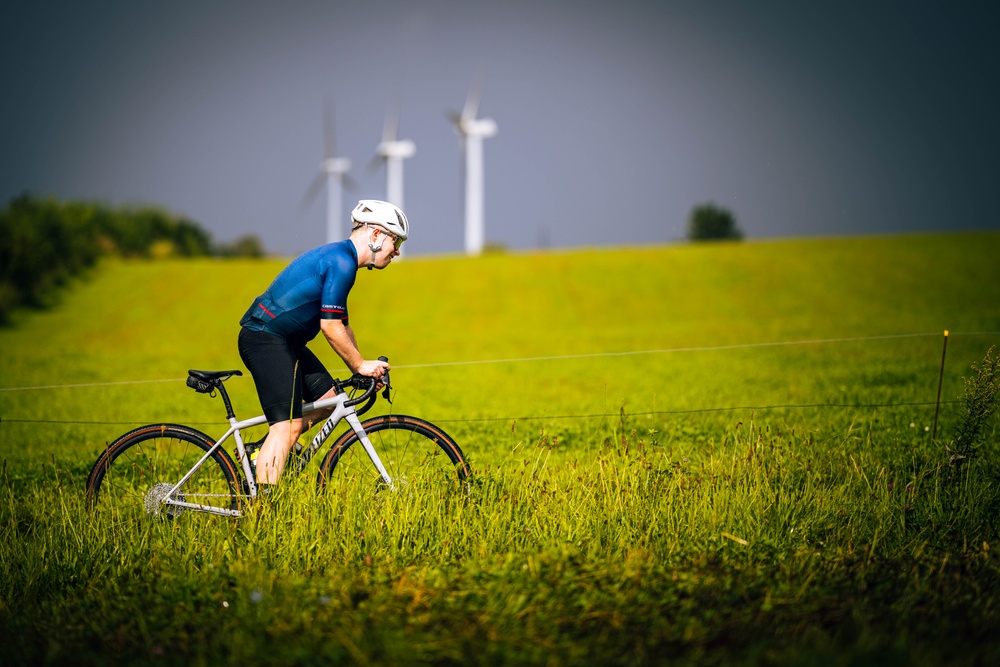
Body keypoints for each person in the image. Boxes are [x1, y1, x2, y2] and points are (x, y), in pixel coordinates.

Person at [237, 199, 408, 490]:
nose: (398, 251)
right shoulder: (341, 262)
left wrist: (362, 367)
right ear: (376, 235)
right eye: (396, 240)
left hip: (285, 341)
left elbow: (342, 325)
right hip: (265, 339)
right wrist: (358, 364)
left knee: (330, 400)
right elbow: (329, 327)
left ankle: (262, 452)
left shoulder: (342, 259)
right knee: (286, 426)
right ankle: (259, 512)